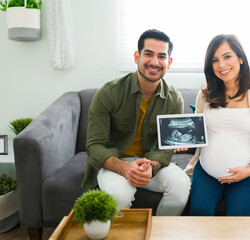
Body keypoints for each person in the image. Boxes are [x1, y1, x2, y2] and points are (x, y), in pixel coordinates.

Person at [81, 29, 191, 216]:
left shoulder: (174, 99)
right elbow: (94, 145)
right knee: (119, 196)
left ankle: (160, 234)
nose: (155, 62)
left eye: (161, 56)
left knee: (181, 186)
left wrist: (153, 166)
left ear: (169, 62)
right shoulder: (108, 93)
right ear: (136, 56)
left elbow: (167, 147)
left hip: (150, 163)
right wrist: (125, 168)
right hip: (114, 163)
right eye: (148, 54)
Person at [184, 34, 250, 216]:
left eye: (227, 57)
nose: (221, 65)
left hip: (246, 174)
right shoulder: (205, 94)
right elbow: (197, 131)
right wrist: (184, 142)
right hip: (206, 171)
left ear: (240, 58)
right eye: (215, 60)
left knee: (238, 222)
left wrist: (249, 170)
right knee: (199, 216)